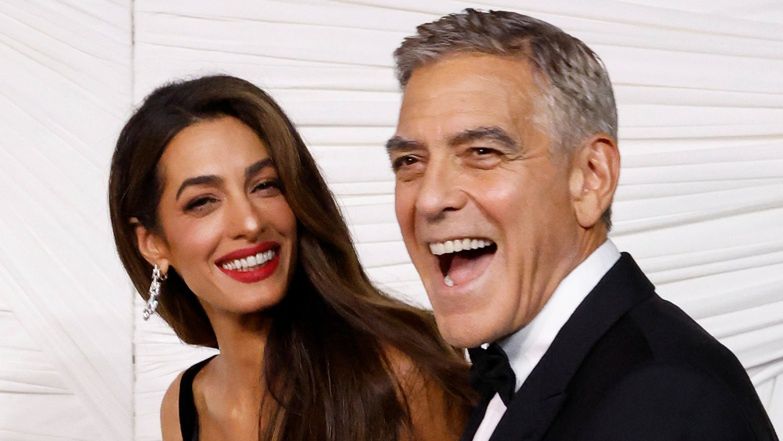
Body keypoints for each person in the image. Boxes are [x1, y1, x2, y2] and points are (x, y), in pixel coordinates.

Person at [387, 8, 778, 441]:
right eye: (409, 161)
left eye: (482, 152)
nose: (430, 199)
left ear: (591, 178)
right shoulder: (521, 373)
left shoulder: (665, 399)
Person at [109, 74, 473, 441]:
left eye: (265, 185)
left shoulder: (401, 375)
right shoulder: (182, 405)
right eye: (203, 201)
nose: (250, 222)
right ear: (153, 243)